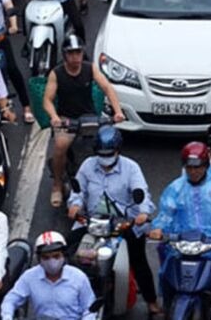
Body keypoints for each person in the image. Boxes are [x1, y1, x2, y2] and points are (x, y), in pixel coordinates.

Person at [66, 126, 161, 315]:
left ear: (118, 150)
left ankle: (151, 301)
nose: (105, 158)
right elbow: (78, 191)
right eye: (101, 153)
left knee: (139, 260)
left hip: (123, 224)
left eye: (109, 153)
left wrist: (142, 214)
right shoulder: (87, 166)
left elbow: (142, 193)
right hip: (92, 222)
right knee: (68, 250)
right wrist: (74, 205)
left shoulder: (131, 168)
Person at [40, 35, 125, 207]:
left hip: (90, 117)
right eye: (71, 53)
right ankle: (57, 184)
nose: (75, 57)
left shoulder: (90, 69)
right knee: (60, 146)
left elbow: (107, 88)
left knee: (109, 143)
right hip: (67, 119)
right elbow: (47, 100)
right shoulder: (56, 74)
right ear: (65, 55)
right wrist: (55, 117)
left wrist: (117, 112)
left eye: (78, 52)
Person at [150, 142, 211, 301]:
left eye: (197, 167)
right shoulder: (176, 188)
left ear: (206, 166)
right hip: (182, 245)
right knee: (166, 275)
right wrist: (158, 228)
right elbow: (166, 213)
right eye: (189, 167)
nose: (193, 171)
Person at [0, 231, 96, 319]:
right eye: (46, 257)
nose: (52, 261)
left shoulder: (78, 277)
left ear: (64, 255)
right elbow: (10, 300)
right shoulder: (29, 277)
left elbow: (89, 308)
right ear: (39, 259)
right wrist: (7, 316)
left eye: (56, 256)